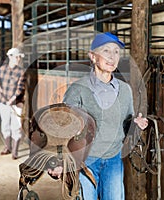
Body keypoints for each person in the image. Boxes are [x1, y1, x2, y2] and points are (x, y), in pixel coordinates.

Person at [56, 32, 148, 200]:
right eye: (106, 51)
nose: (112, 57)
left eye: (116, 52)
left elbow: (127, 124)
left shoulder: (125, 90)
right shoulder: (78, 89)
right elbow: (63, 129)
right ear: (92, 56)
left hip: (113, 160)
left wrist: (135, 124)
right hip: (85, 160)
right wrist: (60, 161)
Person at [0, 48, 26, 160]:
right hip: (3, 102)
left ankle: (15, 151)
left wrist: (12, 99)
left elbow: (19, 89)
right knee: (5, 124)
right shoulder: (2, 69)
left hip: (16, 103)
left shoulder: (21, 72)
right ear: (10, 57)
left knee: (16, 126)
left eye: (19, 57)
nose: (18, 59)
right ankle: (7, 147)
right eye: (16, 57)